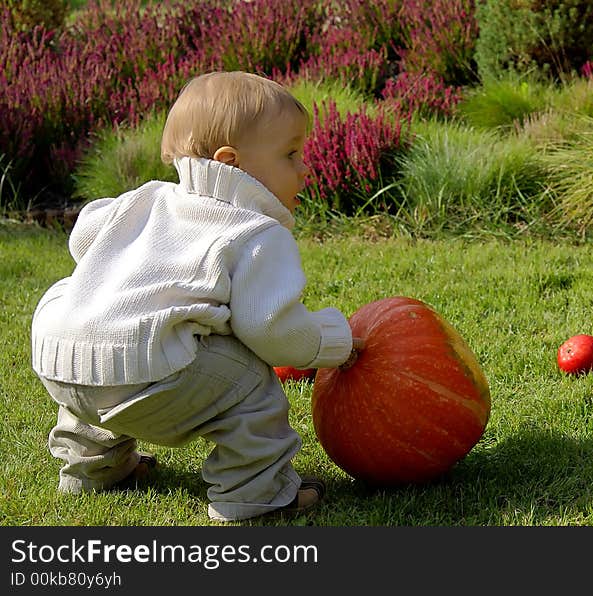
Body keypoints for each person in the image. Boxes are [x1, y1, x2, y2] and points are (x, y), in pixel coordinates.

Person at [30, 71, 357, 522]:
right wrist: (333, 340)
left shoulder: (143, 199)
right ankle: (255, 495)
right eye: (290, 154)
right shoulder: (252, 232)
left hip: (57, 358)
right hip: (146, 377)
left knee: (102, 343)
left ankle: (93, 469)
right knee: (250, 382)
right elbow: (270, 330)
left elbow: (85, 234)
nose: (305, 168)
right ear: (232, 163)